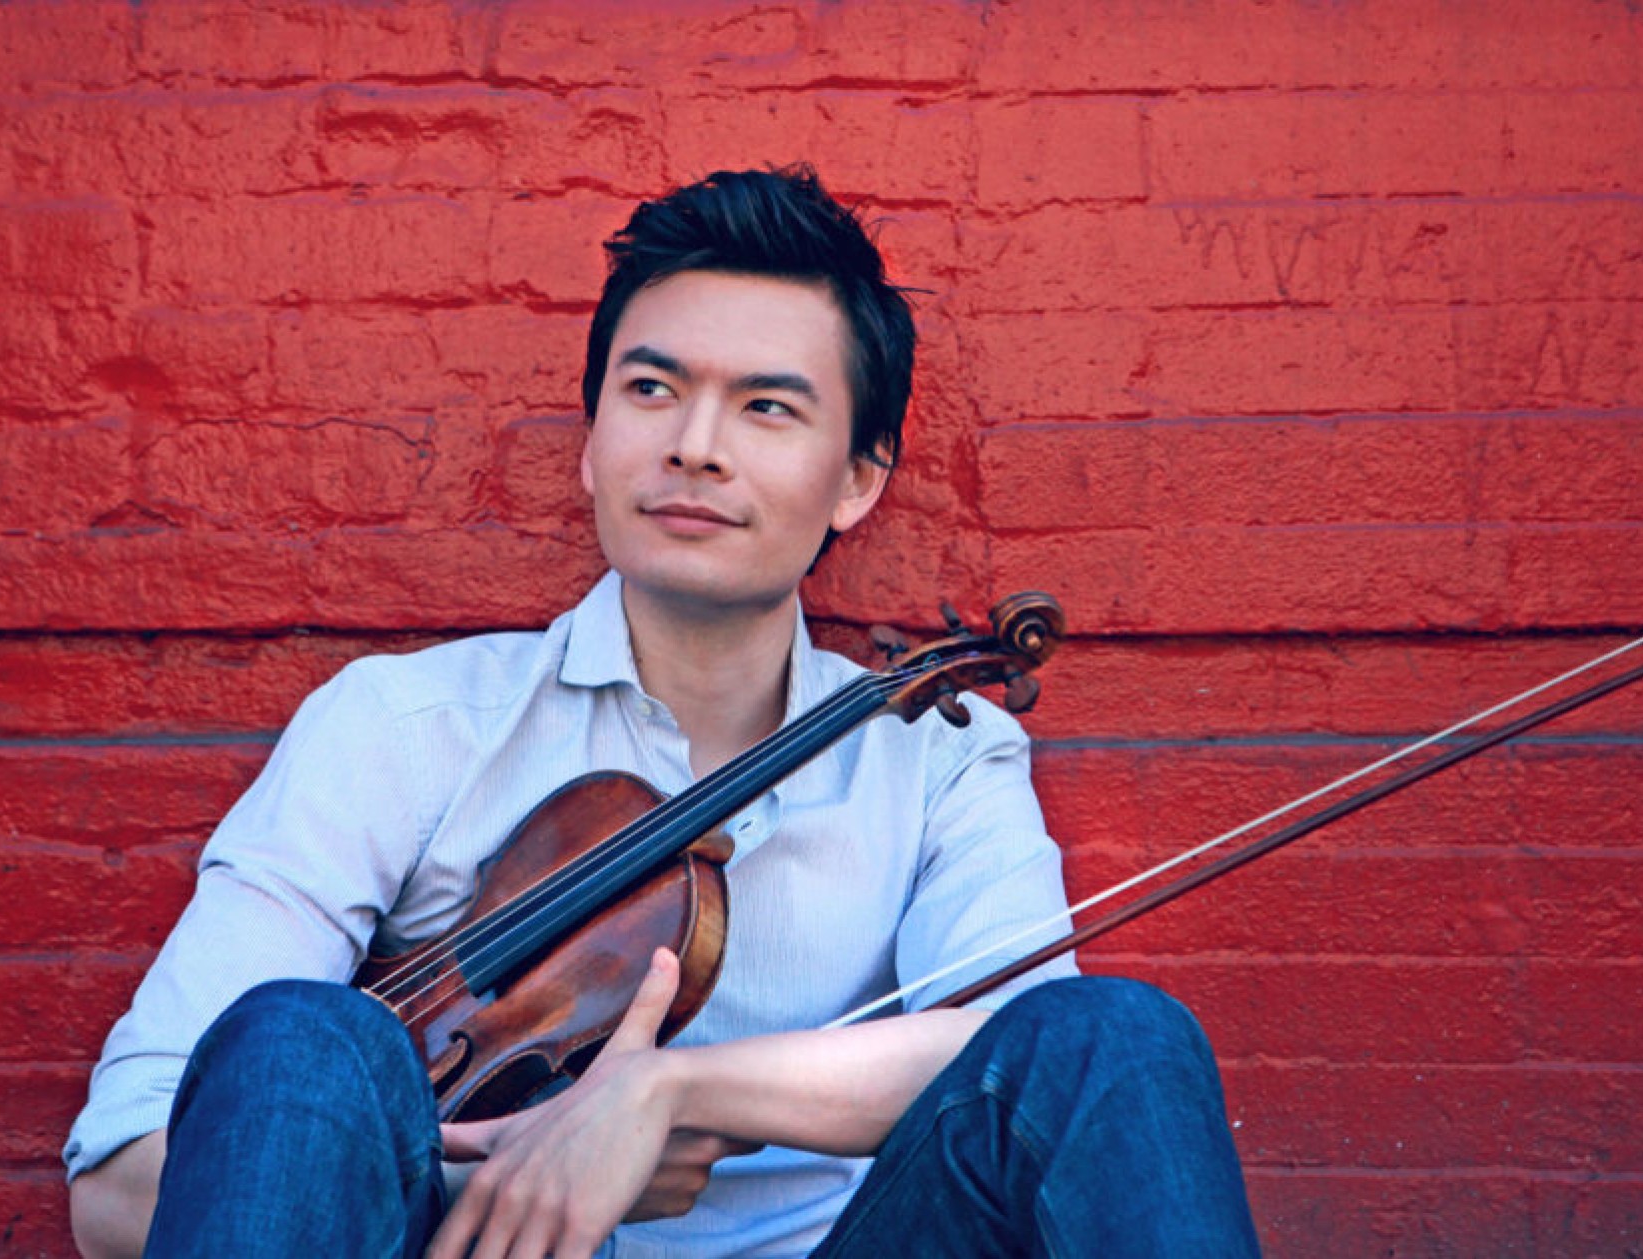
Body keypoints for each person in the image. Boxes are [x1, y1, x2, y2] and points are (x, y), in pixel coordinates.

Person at [65, 166, 1260, 1259]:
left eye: (766, 409)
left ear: (858, 479)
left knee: (1118, 1040)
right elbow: (116, 1185)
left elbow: (1011, 1051)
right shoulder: (399, 723)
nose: (694, 448)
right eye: (652, 389)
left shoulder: (941, 757)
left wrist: (666, 1093)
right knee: (296, 1036)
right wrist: (461, 1163)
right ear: (590, 444)